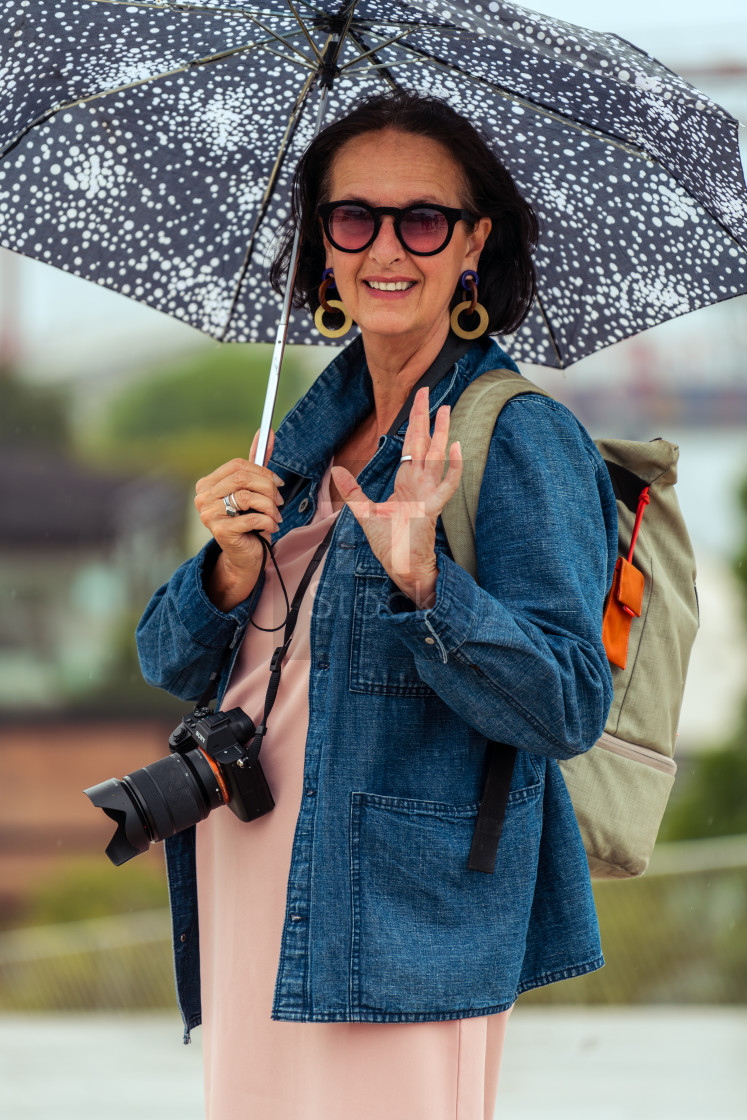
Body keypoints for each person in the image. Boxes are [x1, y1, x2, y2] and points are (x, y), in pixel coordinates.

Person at [136, 90, 618, 1120]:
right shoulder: (304, 440)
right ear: (321, 243)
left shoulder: (520, 435)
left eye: (423, 219)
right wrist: (223, 567)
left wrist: (426, 584)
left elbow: (569, 703)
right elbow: (166, 658)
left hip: (402, 903)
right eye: (353, 218)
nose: (385, 248)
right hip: (250, 856)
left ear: (472, 244)